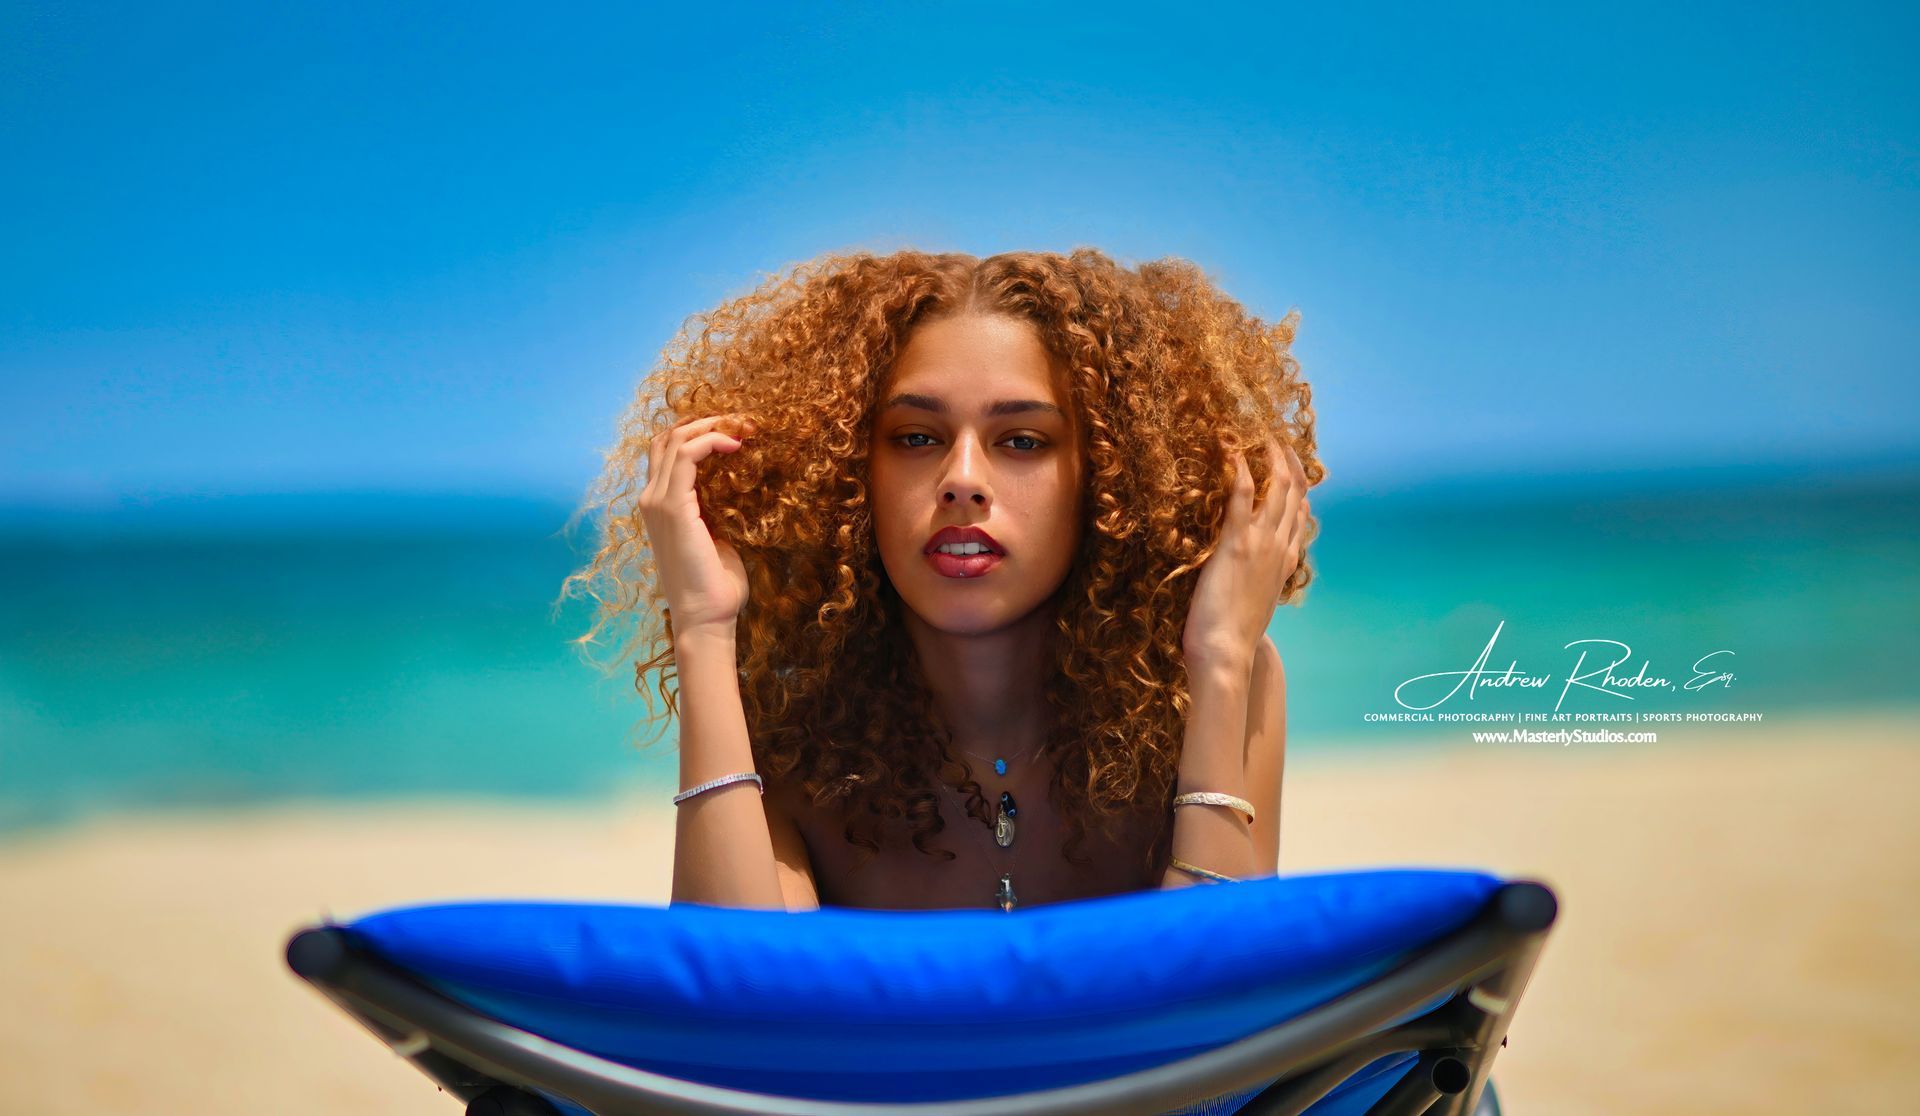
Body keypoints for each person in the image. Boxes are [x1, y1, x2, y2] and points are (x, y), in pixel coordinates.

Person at [565, 248, 1320, 911]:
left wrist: (1222, 658)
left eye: (1022, 441)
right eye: (917, 437)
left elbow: (1227, 998)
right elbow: (735, 993)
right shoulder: (795, 730)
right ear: (851, 473)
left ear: (1109, 477)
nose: (962, 479)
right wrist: (702, 630)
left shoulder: (1217, 684)